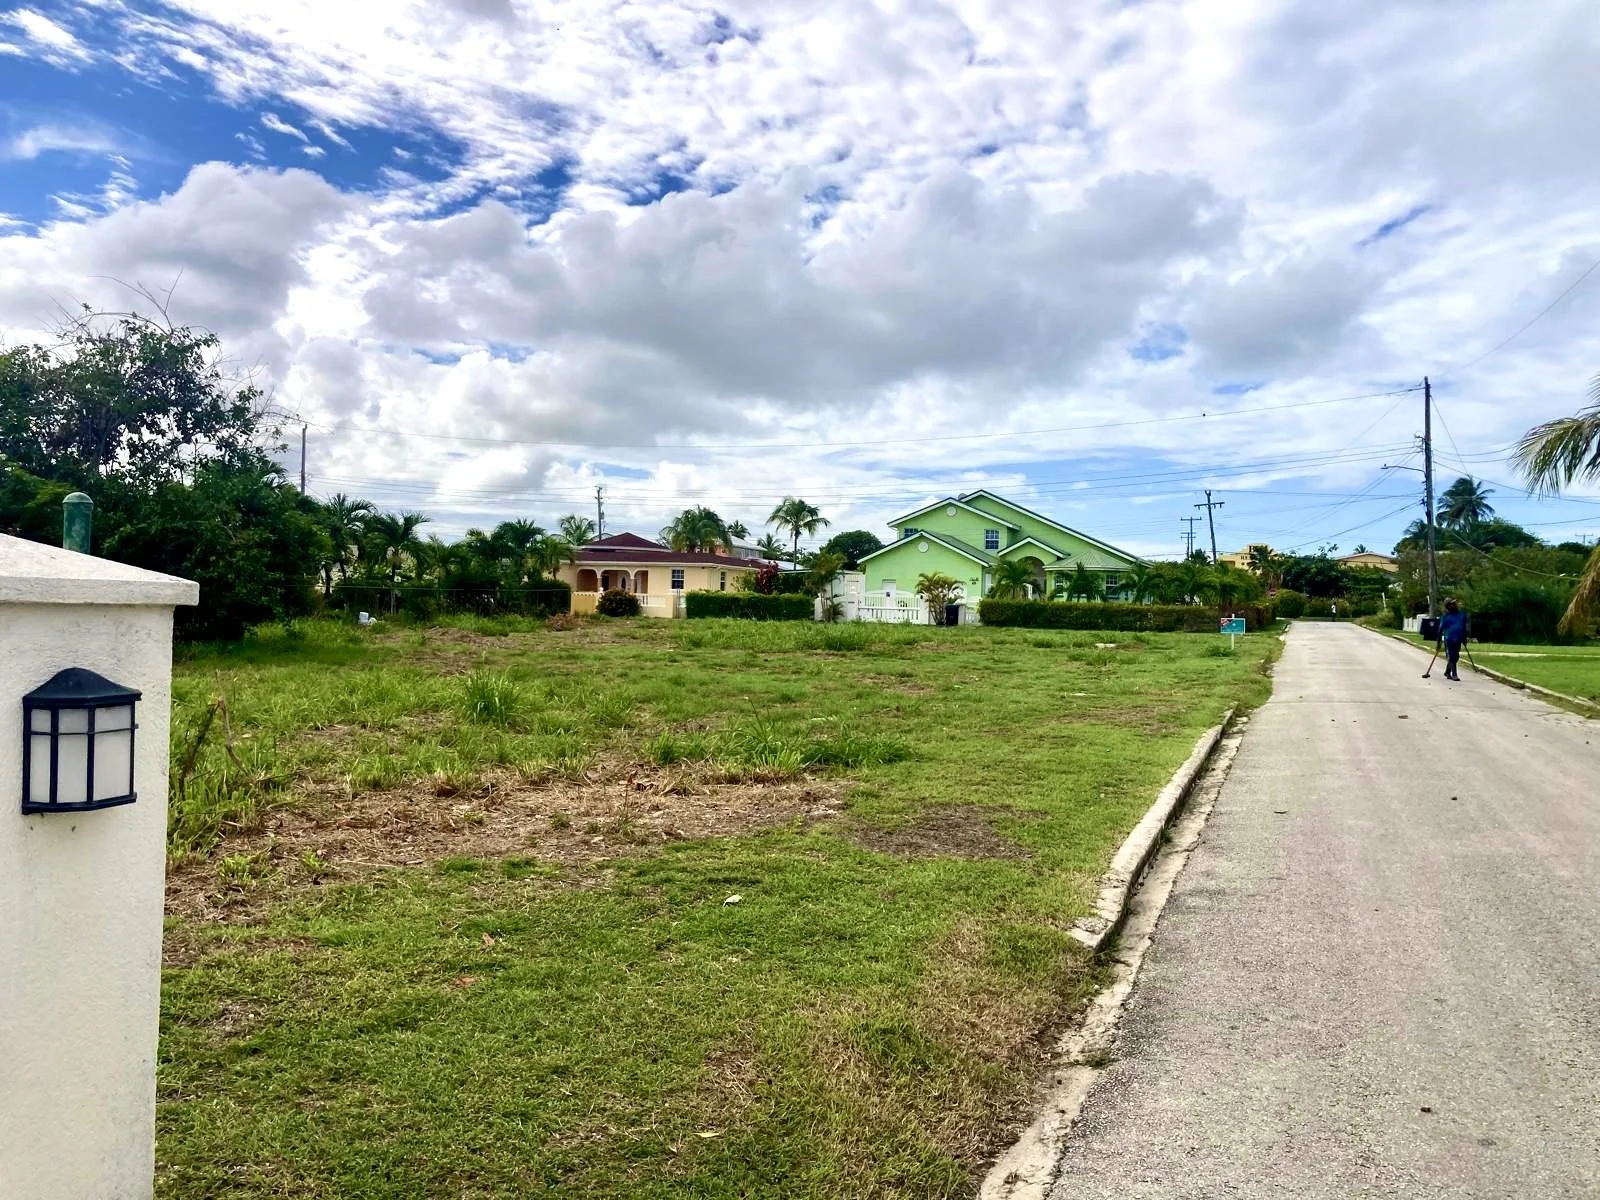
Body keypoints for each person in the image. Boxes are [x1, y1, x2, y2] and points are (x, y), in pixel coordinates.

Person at [1437, 598, 1468, 681]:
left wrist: (1464, 638)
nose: (1454, 605)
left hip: (1458, 639)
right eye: (1452, 604)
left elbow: (1464, 627)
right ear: (1448, 607)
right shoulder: (1445, 617)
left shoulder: (1461, 615)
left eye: (1454, 603)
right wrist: (1438, 642)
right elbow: (1440, 630)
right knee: (1452, 656)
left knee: (1456, 656)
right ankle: (1454, 674)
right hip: (1449, 639)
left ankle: (1447, 671)